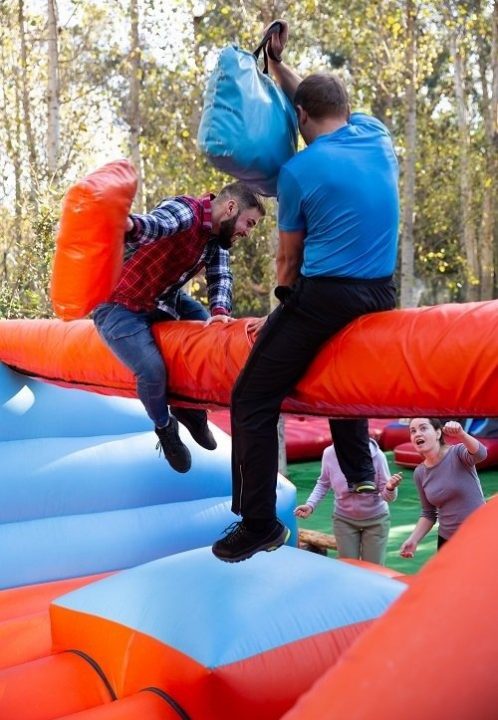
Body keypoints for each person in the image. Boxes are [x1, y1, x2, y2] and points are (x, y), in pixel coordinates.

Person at [212, 21, 399, 562]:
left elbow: (289, 260)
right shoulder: (375, 132)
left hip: (330, 296)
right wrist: (277, 66)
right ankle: (361, 472)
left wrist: (280, 308)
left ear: (298, 118)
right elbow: (315, 101)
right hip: (381, 293)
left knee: (251, 396)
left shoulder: (297, 171)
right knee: (341, 375)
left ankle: (257, 522)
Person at [93, 182, 265, 473]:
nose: (247, 232)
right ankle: (164, 426)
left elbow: (221, 276)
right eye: (249, 223)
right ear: (231, 208)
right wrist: (131, 224)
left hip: (164, 299)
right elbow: (158, 224)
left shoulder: (217, 240)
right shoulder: (189, 210)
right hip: (119, 303)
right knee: (151, 370)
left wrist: (220, 312)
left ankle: (189, 409)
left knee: (208, 336)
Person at [295, 439, 402, 565]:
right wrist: (310, 505)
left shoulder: (377, 456)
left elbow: (388, 497)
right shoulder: (330, 454)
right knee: (348, 566)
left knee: (373, 568)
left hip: (376, 519)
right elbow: (323, 483)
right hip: (344, 519)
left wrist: (390, 488)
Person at [400, 419, 486, 557]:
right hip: (447, 540)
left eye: (423, 428)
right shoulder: (420, 473)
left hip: (478, 536)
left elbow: (481, 454)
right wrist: (413, 539)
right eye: (413, 431)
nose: (417, 434)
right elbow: (428, 513)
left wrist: (461, 434)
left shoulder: (457, 453)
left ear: (438, 433)